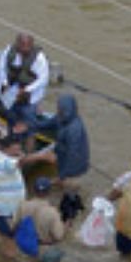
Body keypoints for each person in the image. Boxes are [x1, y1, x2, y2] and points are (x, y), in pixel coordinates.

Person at [0, 136, 48, 256]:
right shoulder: (7, 163)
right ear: (4, 148)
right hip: (8, 211)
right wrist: (42, 156)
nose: (18, 151)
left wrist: (19, 154)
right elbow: (20, 162)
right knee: (11, 240)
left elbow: (18, 160)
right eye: (15, 149)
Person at [37, 95, 89, 224]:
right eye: (59, 109)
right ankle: (77, 203)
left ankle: (67, 222)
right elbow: (47, 124)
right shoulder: (60, 118)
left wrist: (63, 175)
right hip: (62, 158)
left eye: (62, 109)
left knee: (68, 200)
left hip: (74, 167)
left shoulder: (74, 129)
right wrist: (32, 123)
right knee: (68, 190)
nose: (59, 111)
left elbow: (73, 154)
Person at [0, 33, 49, 143]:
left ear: (32, 45)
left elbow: (43, 79)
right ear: (17, 44)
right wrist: (5, 82)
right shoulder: (9, 51)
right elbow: (2, 68)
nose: (25, 48)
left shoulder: (39, 59)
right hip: (12, 95)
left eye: (28, 45)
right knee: (11, 122)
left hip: (30, 99)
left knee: (30, 129)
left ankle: (28, 151)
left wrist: (27, 89)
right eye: (22, 45)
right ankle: (14, 143)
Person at [13, 177, 65, 248]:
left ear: (34, 190)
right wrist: (66, 225)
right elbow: (58, 236)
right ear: (48, 192)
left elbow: (15, 224)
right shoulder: (53, 213)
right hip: (39, 245)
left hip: (23, 240)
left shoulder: (22, 205)